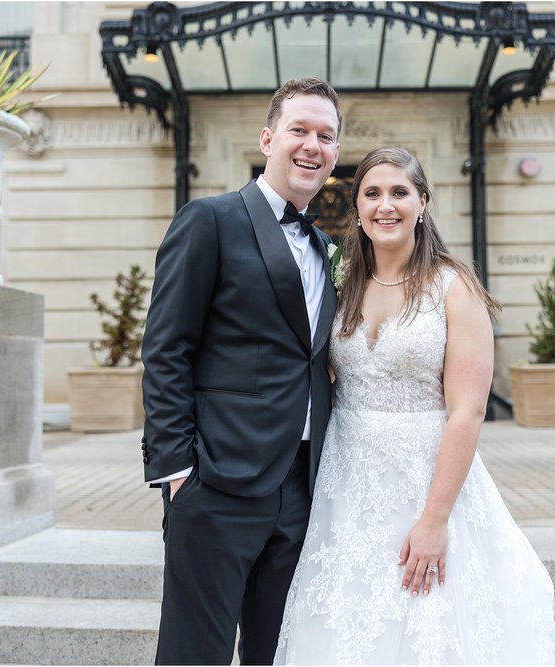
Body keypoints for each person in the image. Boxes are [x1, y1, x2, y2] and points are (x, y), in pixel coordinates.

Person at [274, 147, 555, 665]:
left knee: (426, 619)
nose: (386, 205)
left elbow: (468, 411)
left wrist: (434, 521)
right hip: (346, 481)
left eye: (399, 192)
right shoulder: (342, 284)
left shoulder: (453, 287)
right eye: (372, 194)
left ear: (423, 203)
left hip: (426, 478)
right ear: (358, 209)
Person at [141, 77, 341, 665]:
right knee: (193, 655)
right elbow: (166, 348)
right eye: (299, 130)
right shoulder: (208, 220)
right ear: (268, 138)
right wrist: (177, 470)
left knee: (274, 653)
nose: (312, 145)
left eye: (326, 136)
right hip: (217, 483)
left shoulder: (327, 246)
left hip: (300, 487)